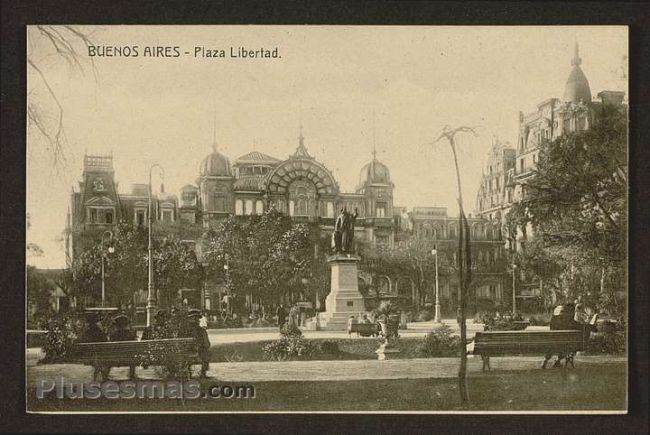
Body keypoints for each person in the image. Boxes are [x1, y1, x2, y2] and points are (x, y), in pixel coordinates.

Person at [78, 311, 108, 380]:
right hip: (100, 353)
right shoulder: (99, 330)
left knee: (99, 361)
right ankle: (103, 375)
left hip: (90, 353)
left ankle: (98, 373)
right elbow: (105, 340)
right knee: (101, 360)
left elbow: (82, 340)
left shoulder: (87, 331)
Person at [181, 308, 211, 378]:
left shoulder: (184, 330)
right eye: (194, 318)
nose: (195, 320)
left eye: (196, 318)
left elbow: (207, 344)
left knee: (206, 352)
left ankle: (188, 372)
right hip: (195, 351)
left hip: (188, 352)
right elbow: (207, 344)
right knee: (206, 352)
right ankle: (203, 373)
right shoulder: (202, 331)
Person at [109, 314, 137, 379]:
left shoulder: (114, 335)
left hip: (115, 357)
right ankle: (132, 374)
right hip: (129, 357)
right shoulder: (130, 334)